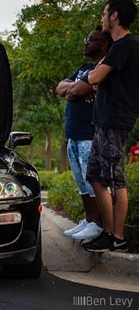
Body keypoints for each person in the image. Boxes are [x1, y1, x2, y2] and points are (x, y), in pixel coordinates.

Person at [80, 0, 138, 252]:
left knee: (114, 179)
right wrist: (94, 78)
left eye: (105, 14)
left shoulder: (125, 45)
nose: (102, 18)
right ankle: (108, 232)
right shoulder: (118, 47)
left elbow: (95, 76)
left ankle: (117, 236)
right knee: (95, 176)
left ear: (114, 16)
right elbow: (95, 79)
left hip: (115, 120)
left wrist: (94, 76)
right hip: (104, 120)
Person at [56, 27, 112, 240]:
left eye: (91, 39)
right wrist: (78, 87)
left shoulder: (105, 67)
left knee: (93, 182)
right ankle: (89, 220)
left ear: (104, 44)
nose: (85, 43)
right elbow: (60, 88)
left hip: (90, 134)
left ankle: (99, 224)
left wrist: (77, 89)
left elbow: (73, 91)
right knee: (82, 183)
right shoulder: (84, 68)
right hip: (73, 134)